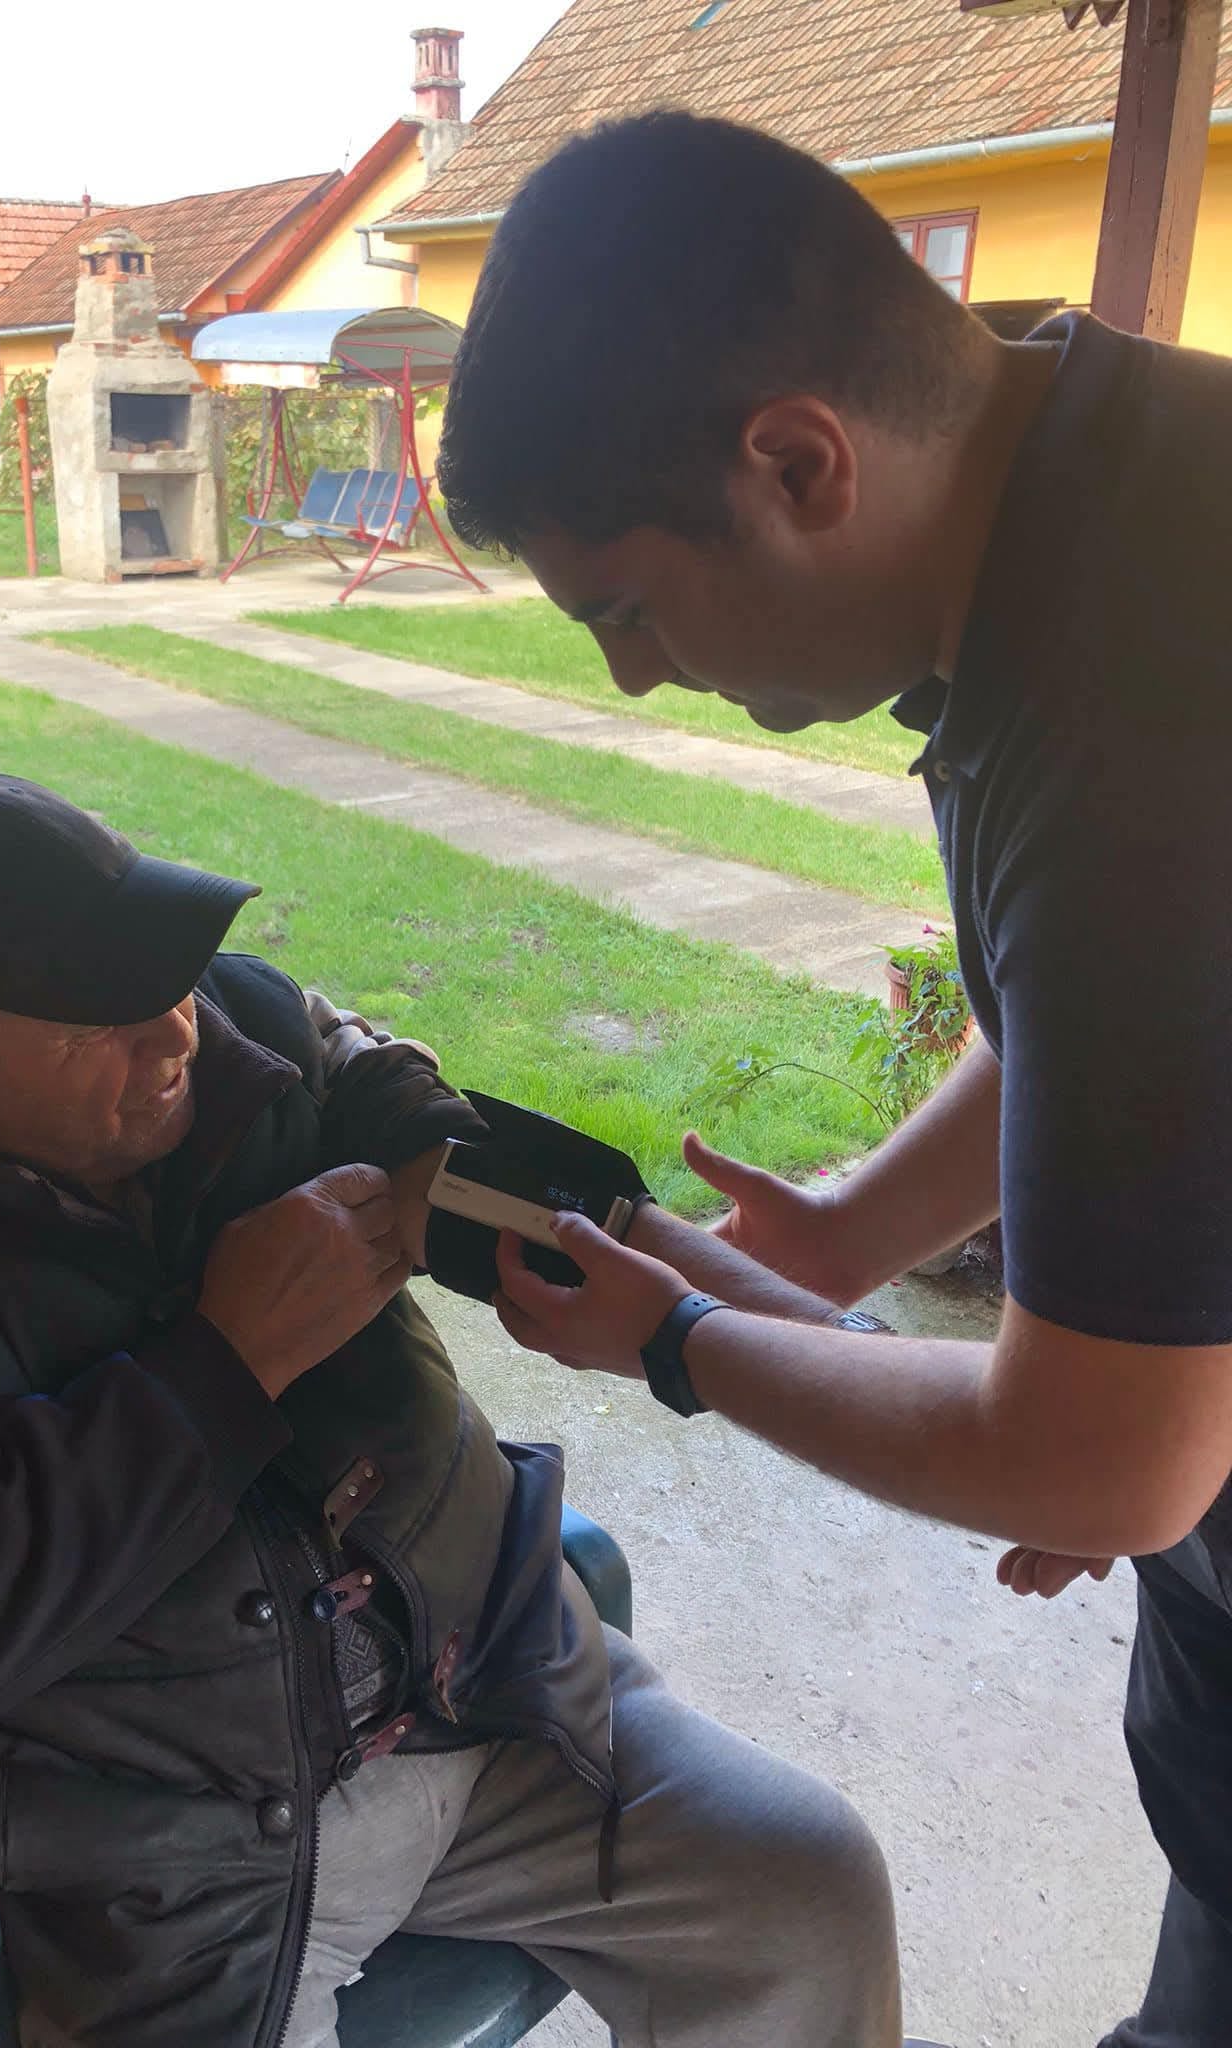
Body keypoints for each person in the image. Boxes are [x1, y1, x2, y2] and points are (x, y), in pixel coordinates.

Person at [0, 773, 908, 2048]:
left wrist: (839, 1353)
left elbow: (522, 1195)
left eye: (165, 976)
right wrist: (223, 1361)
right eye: (94, 1023)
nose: (174, 1035)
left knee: (807, 1889)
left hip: (494, 1693)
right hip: (180, 1868)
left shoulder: (248, 1026)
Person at [438, 107, 1232, 2048]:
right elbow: (1109, 1017)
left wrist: (682, 1340)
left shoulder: (1136, 720)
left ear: (798, 461)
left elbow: (1104, 1463)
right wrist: (858, 1236)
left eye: (625, 609)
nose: (631, 679)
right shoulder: (1096, 461)